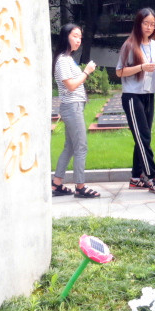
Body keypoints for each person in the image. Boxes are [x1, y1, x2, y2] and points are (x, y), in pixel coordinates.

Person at [115, 8, 155, 194]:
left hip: (149, 94)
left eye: (153, 24)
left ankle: (136, 178)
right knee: (143, 136)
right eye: (146, 23)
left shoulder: (154, 45)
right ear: (138, 24)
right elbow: (119, 71)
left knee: (143, 137)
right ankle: (152, 177)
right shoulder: (130, 45)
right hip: (132, 95)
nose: (149, 27)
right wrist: (141, 67)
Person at [51, 23, 100, 199]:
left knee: (70, 147)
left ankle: (56, 184)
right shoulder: (63, 60)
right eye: (75, 36)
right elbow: (71, 86)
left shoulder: (67, 59)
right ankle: (80, 187)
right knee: (81, 146)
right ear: (66, 37)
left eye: (80, 37)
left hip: (74, 106)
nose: (78, 40)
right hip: (72, 107)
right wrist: (87, 72)